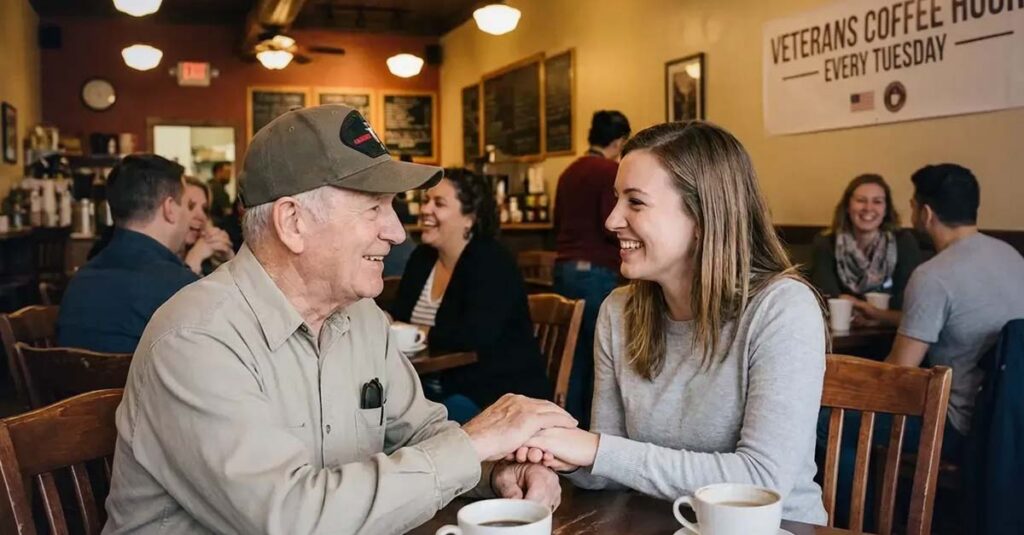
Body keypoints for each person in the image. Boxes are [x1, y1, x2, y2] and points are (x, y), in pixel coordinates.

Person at [102, 105, 570, 535]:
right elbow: (293, 520)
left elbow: (422, 432)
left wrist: (494, 472)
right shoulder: (197, 340)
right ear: (293, 223)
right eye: (373, 208)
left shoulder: (361, 317)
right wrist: (472, 445)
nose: (396, 231)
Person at [513, 121, 829, 524]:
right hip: (658, 525)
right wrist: (554, 453)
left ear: (702, 218)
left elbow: (763, 481)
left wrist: (594, 450)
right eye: (616, 199)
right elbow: (611, 470)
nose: (611, 220)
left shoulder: (782, 308)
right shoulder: (618, 312)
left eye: (636, 202)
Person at [390, 168, 550, 423]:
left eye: (438, 203)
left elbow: (474, 334)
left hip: (493, 396)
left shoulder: (491, 261)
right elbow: (399, 317)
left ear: (469, 218)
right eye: (425, 201)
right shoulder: (422, 258)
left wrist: (418, 330)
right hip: (428, 390)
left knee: (407, 422)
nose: (425, 209)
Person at [887, 163, 1024, 456]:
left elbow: (899, 372)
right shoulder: (1013, 257)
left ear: (925, 213)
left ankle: (857, 503)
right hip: (1010, 424)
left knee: (830, 420)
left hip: (959, 426)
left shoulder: (932, 275)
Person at [57, 154, 202, 354]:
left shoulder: (79, 281)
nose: (190, 216)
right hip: (142, 386)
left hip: (70, 386)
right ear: (170, 208)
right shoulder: (180, 288)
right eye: (188, 206)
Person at [552, 110, 631, 427]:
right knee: (598, 358)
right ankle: (590, 430)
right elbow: (610, 225)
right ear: (619, 141)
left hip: (564, 267)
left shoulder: (569, 171)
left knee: (571, 356)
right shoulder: (607, 171)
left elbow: (558, 223)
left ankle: (566, 426)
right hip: (596, 271)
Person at [811, 174, 922, 327]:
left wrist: (860, 305)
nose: (868, 208)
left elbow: (909, 297)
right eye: (861, 200)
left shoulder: (903, 241)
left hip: (892, 333)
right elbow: (826, 294)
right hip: (844, 336)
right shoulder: (826, 243)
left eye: (877, 202)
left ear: (886, 209)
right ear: (848, 207)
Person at [181, 176, 235, 275]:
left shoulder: (208, 259)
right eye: (190, 206)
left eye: (205, 209)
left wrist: (229, 261)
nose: (201, 216)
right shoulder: (156, 260)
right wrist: (194, 259)